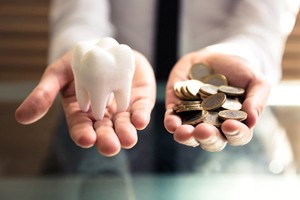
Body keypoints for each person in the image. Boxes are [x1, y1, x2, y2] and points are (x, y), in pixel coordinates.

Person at [15, 0, 299, 174]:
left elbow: (265, 17)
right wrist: (81, 50)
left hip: (245, 165)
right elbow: (79, 12)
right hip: (114, 108)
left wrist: (243, 55)